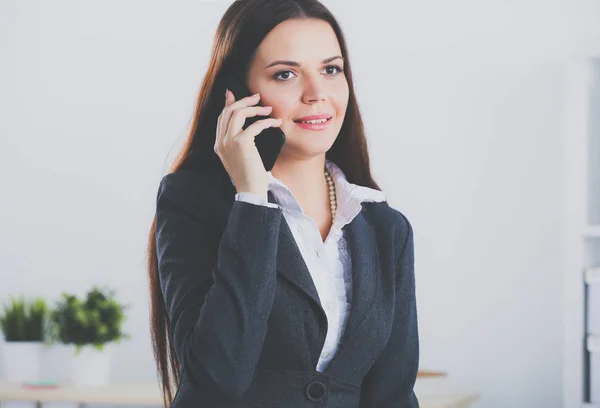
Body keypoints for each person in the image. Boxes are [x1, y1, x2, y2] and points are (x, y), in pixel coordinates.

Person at [146, 0, 419, 406]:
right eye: (286, 74)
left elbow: (393, 395)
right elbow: (216, 378)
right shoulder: (193, 203)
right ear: (238, 94)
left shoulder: (385, 228)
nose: (317, 94)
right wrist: (252, 201)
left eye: (331, 69)